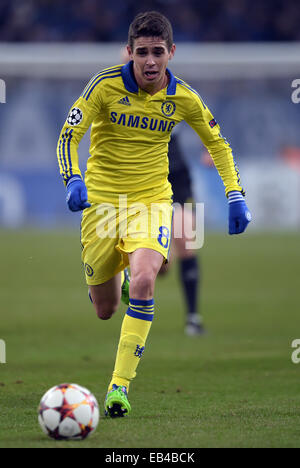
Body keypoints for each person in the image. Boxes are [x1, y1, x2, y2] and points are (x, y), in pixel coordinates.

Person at [57, 11, 251, 418]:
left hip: (152, 203)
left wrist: (235, 194)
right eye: (141, 52)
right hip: (103, 208)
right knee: (105, 308)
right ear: (129, 52)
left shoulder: (184, 98)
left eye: (157, 52)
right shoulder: (104, 86)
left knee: (146, 280)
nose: (149, 61)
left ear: (171, 53)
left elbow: (218, 144)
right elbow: (69, 134)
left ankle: (118, 387)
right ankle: (117, 276)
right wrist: (72, 178)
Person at [159, 130, 205, 336]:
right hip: (144, 169)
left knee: (187, 241)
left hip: (176, 171)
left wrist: (208, 147)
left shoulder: (178, 96)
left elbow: (202, 118)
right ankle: (164, 253)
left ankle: (193, 318)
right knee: (161, 267)